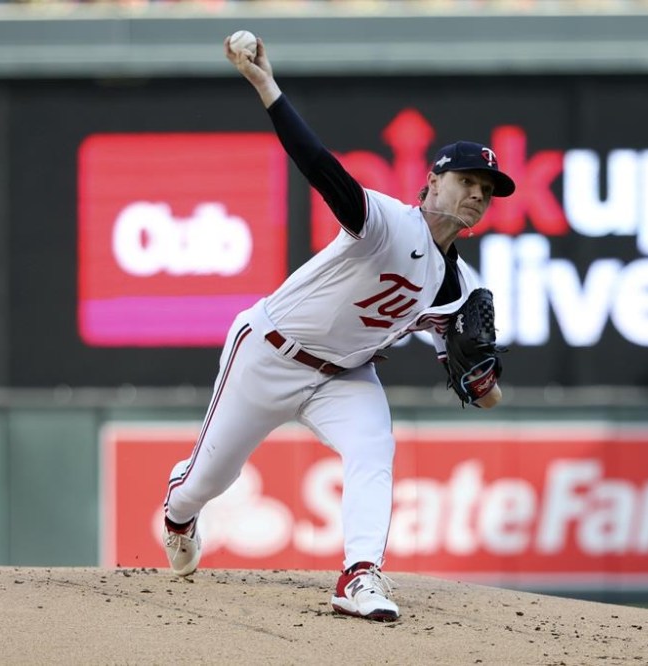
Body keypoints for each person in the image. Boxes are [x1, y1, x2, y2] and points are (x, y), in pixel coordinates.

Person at [160, 32, 516, 623]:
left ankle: (359, 576)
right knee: (204, 482)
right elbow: (317, 164)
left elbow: (474, 374)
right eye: (467, 184)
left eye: (485, 193)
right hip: (269, 354)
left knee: (374, 444)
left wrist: (484, 384)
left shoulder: (458, 286)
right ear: (432, 182)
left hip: (343, 378)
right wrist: (265, 84)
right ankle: (179, 513)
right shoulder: (385, 221)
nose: (476, 197)